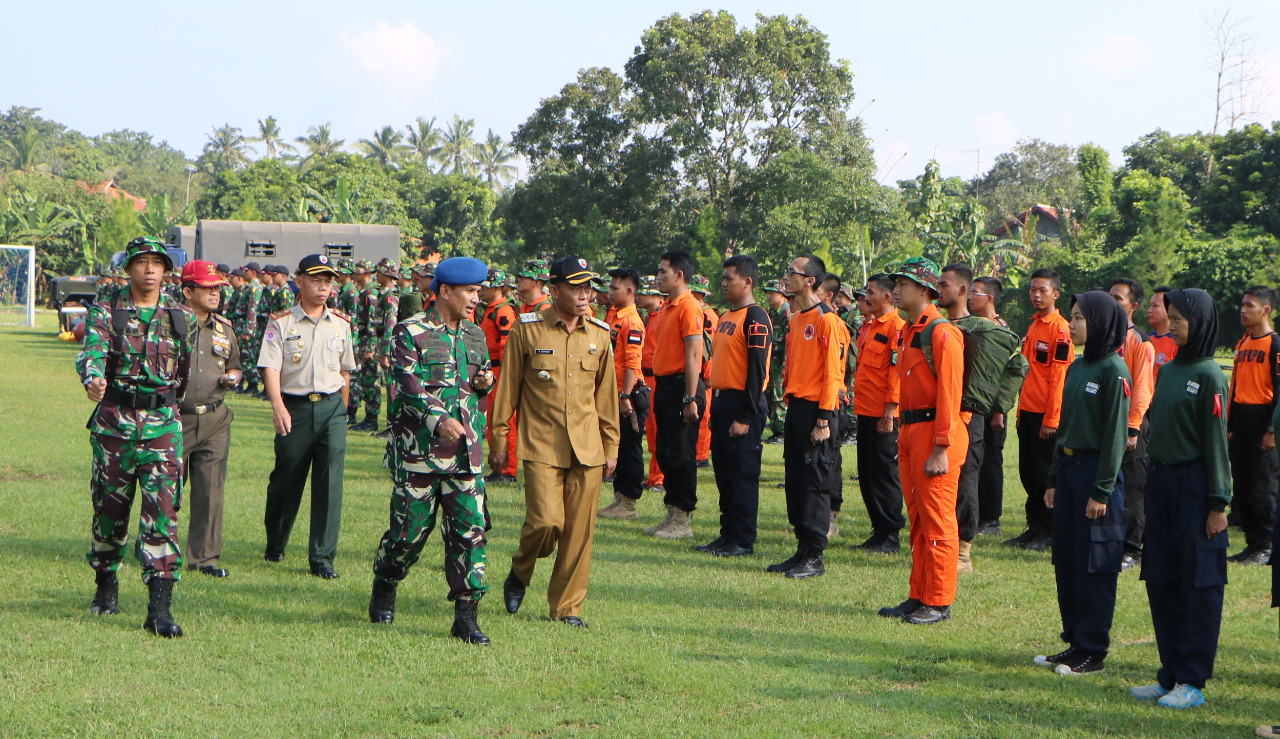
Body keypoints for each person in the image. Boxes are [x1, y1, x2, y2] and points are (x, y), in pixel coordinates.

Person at [368, 257, 496, 644]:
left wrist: (485, 383)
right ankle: (386, 580)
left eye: (478, 291)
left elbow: (478, 380)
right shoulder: (411, 332)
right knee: (408, 534)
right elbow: (408, 385)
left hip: (465, 455)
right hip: (419, 453)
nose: (477, 298)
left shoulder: (475, 334)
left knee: (470, 532)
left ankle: (466, 615)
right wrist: (438, 419)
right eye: (470, 292)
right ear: (444, 291)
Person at [490, 256, 620, 627]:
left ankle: (567, 608)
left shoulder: (599, 333)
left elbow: (606, 398)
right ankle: (520, 569)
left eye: (588, 287)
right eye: (576, 287)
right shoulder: (526, 330)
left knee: (579, 534)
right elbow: (507, 390)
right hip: (542, 443)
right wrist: (499, 440)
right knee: (546, 523)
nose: (584, 295)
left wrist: (611, 447)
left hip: (588, 447)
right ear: (555, 289)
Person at [77, 236, 194, 638]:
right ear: (128, 268)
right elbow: (92, 350)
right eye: (141, 262)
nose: (149, 269)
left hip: (163, 424)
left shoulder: (180, 315)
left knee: (163, 511)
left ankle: (159, 608)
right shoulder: (107, 310)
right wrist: (92, 377)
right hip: (115, 424)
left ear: (165, 270)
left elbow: (187, 369)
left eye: (156, 263)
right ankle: (106, 584)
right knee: (110, 510)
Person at [1130, 288, 1231, 709]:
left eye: (1179, 319)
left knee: (1199, 584)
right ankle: (1169, 673)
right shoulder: (1169, 368)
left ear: (1201, 323)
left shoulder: (1210, 375)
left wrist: (1217, 503)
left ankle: (1191, 679)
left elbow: (1216, 445)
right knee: (1162, 578)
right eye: (1168, 317)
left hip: (1195, 486)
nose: (1170, 325)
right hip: (1163, 483)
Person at [1034, 292, 1131, 676]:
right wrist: (1055, 478)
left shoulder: (1114, 369)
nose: (1071, 324)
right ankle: (1074, 641)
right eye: (1071, 317)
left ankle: (1093, 649)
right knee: (1069, 559)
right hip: (1071, 471)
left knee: (1095, 563)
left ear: (1101, 323)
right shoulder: (1076, 367)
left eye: (1078, 318)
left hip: (1096, 474)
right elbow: (1066, 429)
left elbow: (1115, 437)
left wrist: (1101, 490)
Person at [876, 257, 967, 625]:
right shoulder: (909, 330)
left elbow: (950, 394)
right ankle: (919, 594)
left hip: (936, 434)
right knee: (916, 517)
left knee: (938, 520)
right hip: (911, 431)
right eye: (896, 283)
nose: (896, 290)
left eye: (905, 284)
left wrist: (941, 448)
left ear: (925, 290)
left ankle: (939, 600)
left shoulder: (942, 333)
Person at [259, 255, 357, 579]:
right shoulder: (281, 322)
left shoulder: (342, 323)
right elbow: (271, 367)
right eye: (316, 279)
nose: (323, 286)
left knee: (330, 484)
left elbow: (345, 371)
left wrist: (341, 409)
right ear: (299, 280)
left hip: (331, 408)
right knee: (286, 480)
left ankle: (322, 558)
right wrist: (277, 406)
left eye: (328, 280)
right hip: (295, 408)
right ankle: (276, 541)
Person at [768, 253, 847, 579]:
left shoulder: (827, 319)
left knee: (815, 481)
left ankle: (814, 554)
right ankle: (801, 548)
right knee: (796, 480)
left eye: (792, 272)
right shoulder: (798, 318)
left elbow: (832, 374)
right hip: (798, 407)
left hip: (819, 409)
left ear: (810, 280)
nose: (786, 277)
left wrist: (824, 420)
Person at [696, 255, 770, 557]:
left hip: (744, 403)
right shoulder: (726, 317)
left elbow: (757, 372)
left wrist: (745, 415)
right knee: (724, 475)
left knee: (742, 476)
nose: (723, 284)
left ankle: (742, 540)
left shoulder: (756, 318)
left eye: (730, 279)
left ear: (747, 282)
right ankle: (726, 534)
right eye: (723, 278)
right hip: (723, 401)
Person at [179, 261, 241, 579]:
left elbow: (235, 364)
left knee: (210, 490)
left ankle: (205, 559)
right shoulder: (171, 324)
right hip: (176, 419)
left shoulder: (225, 329)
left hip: (215, 417)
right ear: (188, 291)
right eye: (208, 288)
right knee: (165, 489)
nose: (215, 293)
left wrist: (232, 376)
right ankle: (154, 545)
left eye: (218, 288)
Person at [1006, 268, 1072, 551]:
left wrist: (1052, 418)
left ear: (1055, 294)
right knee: (1028, 473)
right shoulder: (1033, 326)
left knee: (1046, 475)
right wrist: (1021, 413)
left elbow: (1059, 376)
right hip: (1028, 413)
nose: (1035, 294)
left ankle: (1050, 530)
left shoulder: (1060, 329)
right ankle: (1034, 527)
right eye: (1033, 289)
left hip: (1047, 416)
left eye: (1042, 290)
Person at [644, 251, 707, 539]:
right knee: (667, 452)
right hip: (666, 385)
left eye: (663, 271)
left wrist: (690, 397)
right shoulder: (668, 307)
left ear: (679, 275)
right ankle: (671, 512)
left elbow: (694, 355)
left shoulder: (689, 307)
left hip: (683, 385)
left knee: (682, 454)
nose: (658, 276)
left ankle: (683, 519)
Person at [1226, 286, 1280, 565]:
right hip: (1242, 420)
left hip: (1263, 420)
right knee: (1244, 486)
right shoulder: (1243, 343)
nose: (1243, 310)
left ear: (1266, 310)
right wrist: (1230, 423)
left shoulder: (1274, 343)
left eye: (1250, 306)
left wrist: (1272, 429)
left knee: (1263, 488)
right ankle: (1251, 544)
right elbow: (1235, 387)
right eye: (1242, 305)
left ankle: (1266, 546)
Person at [853, 273, 906, 554]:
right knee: (868, 473)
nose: (866, 297)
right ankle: (878, 529)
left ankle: (890, 534)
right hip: (866, 410)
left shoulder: (897, 327)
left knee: (885, 474)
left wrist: (890, 411)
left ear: (886, 296)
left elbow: (895, 374)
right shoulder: (870, 326)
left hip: (885, 414)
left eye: (871, 292)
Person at [1108, 278, 1156, 572]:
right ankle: (1111, 540)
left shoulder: (1139, 340)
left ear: (1133, 306)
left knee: (1132, 488)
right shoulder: (1104, 336)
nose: (1111, 301)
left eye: (1118, 298)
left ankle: (1131, 548)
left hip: (1131, 427)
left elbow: (1142, 388)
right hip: (1107, 426)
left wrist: (1133, 427)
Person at [599, 267, 649, 519]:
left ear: (630, 291)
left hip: (628, 393)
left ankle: (629, 502)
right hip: (614, 391)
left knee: (630, 447)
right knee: (615, 445)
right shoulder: (615, 316)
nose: (609, 292)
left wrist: (625, 396)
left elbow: (632, 362)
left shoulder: (632, 321)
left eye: (614, 288)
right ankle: (619, 498)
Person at [970, 276, 1011, 536]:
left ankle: (991, 519)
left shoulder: (999, 330)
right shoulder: (974, 326)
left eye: (976, 293)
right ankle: (976, 514)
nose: (971, 297)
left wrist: (999, 411)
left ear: (990, 298)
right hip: (975, 404)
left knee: (990, 463)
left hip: (992, 408)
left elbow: (1007, 375)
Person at [479, 268, 520, 483]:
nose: (481, 291)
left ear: (496, 287)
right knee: (493, 420)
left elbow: (507, 346)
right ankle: (497, 467)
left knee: (505, 421)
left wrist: (505, 376)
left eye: (485, 287)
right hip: (491, 371)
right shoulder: (490, 309)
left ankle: (507, 470)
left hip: (499, 371)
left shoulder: (503, 312)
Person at [637, 276, 667, 493]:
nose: (638, 296)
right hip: (646, 378)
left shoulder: (663, 316)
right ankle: (653, 476)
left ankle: (659, 478)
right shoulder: (649, 317)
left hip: (658, 377)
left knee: (659, 428)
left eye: (643, 292)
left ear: (656, 296)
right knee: (650, 428)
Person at [691, 275, 717, 469]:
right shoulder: (694, 310)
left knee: (703, 413)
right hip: (692, 370)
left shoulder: (708, 316)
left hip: (703, 372)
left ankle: (701, 455)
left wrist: (708, 374)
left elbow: (713, 348)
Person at [763, 280, 791, 442]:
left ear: (781, 294)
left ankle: (782, 432)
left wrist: (785, 366)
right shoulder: (771, 313)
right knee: (770, 395)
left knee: (778, 395)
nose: (768, 296)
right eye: (767, 292)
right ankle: (775, 429)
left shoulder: (786, 312)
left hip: (781, 360)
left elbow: (789, 342)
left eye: (772, 292)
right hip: (771, 360)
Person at [236, 262, 266, 397]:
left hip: (248, 327)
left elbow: (252, 309)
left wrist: (248, 330)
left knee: (248, 356)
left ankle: (253, 383)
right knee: (243, 356)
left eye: (246, 270)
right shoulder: (249, 287)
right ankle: (249, 382)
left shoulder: (255, 288)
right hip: (242, 324)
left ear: (253, 272)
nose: (244, 273)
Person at [1148, 285, 1178, 380]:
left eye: (1155, 306)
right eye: (1150, 305)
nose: (1149, 310)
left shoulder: (1177, 342)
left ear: (1169, 309)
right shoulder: (1146, 340)